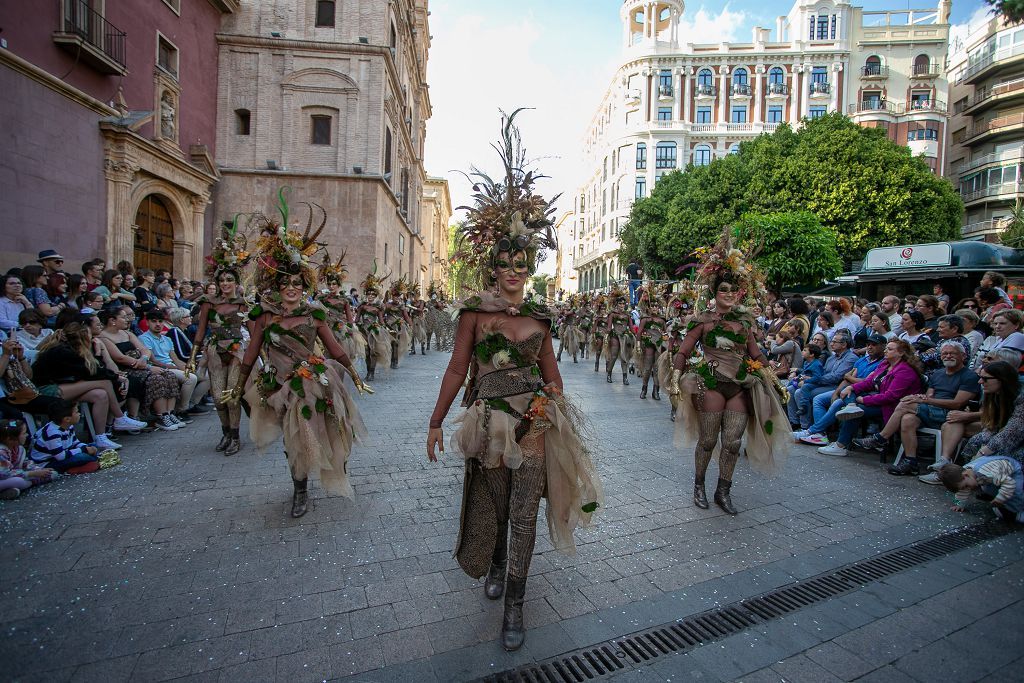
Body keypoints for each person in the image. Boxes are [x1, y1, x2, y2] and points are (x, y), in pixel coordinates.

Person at [427, 114, 601, 652]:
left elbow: (554, 379)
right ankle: (496, 562)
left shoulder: (542, 320)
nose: (513, 274)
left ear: (529, 269)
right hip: (486, 423)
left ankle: (516, 606)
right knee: (497, 508)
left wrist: (550, 409)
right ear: (493, 266)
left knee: (525, 516)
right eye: (505, 265)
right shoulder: (474, 315)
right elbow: (458, 369)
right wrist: (435, 420)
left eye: (521, 267)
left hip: (532, 426)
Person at [222, 194, 370, 518]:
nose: (291, 288)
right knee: (293, 441)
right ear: (276, 284)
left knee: (312, 429)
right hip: (277, 385)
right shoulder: (265, 315)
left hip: (312, 381)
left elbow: (333, 348)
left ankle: (326, 465)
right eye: (286, 282)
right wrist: (238, 386)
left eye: (297, 282)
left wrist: (355, 376)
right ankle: (300, 489)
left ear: (304, 285)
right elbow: (250, 353)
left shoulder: (314, 314)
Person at [668, 229, 790, 516]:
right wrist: (675, 378)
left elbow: (756, 353)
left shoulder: (744, 323)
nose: (729, 294)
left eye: (734, 290)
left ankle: (724, 490)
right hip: (710, 381)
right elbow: (683, 351)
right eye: (723, 290)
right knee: (709, 440)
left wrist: (773, 379)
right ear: (714, 292)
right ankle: (699, 485)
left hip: (739, 383)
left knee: (733, 442)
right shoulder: (703, 320)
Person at [853, 341, 979, 475]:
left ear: (963, 356)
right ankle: (911, 462)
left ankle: (881, 438)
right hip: (931, 410)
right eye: (944, 353)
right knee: (908, 418)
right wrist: (919, 398)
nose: (948, 356)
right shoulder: (938, 374)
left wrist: (924, 400)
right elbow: (929, 395)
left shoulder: (969, 376)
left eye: (952, 353)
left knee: (905, 404)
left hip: (951, 414)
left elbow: (957, 403)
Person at [187, 221, 252, 454]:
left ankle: (235, 436)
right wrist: (192, 359)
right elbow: (201, 330)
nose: (225, 284)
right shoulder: (208, 303)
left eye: (229, 280)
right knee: (217, 397)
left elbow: (254, 333)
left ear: (236, 282)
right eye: (221, 280)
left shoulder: (243, 304)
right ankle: (225, 432)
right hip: (215, 351)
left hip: (236, 350)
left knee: (232, 396)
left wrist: (263, 359)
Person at [815, 340, 923, 457]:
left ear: (901, 353)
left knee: (855, 411)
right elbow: (869, 382)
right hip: (879, 399)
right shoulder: (885, 364)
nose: (886, 351)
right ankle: (850, 408)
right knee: (848, 395)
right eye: (886, 348)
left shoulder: (905, 371)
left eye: (890, 349)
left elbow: (890, 397)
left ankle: (838, 443)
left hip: (892, 406)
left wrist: (864, 400)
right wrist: (851, 387)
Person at [97, 307, 182, 431]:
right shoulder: (103, 337)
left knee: (169, 375)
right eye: (123, 317)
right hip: (125, 369)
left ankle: (169, 413)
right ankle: (161, 416)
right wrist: (146, 366)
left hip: (141, 365)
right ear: (112, 320)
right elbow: (119, 358)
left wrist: (143, 358)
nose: (127, 320)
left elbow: (145, 349)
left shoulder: (127, 333)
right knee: (156, 378)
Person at [794, 333, 887, 446]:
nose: (869, 347)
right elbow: (846, 378)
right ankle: (810, 429)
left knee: (822, 399)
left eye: (874, 344)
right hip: (845, 389)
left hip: (859, 393)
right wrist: (837, 391)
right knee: (801, 391)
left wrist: (848, 380)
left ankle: (816, 432)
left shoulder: (877, 363)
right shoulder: (860, 360)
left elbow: (866, 382)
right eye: (868, 344)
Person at [139, 309, 208, 421]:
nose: (158, 324)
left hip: (171, 367)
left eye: (160, 321)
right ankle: (181, 410)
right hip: (159, 369)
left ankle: (192, 404)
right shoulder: (144, 338)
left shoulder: (167, 339)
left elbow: (175, 359)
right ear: (147, 322)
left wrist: (186, 368)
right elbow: (154, 361)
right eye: (154, 321)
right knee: (190, 378)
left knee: (205, 376)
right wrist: (177, 368)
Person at [787, 332, 855, 431]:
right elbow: (823, 373)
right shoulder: (832, 358)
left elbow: (837, 377)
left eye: (834, 342)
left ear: (844, 345)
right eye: (831, 341)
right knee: (790, 389)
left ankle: (806, 426)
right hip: (823, 383)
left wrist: (811, 380)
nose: (831, 344)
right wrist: (805, 378)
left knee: (800, 392)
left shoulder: (851, 358)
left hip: (837, 386)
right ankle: (794, 421)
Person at [316, 253, 368, 365]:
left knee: (340, 356)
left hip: (340, 329)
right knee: (325, 356)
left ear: (338, 284)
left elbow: (349, 318)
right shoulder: (321, 299)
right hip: (325, 329)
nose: (331, 286)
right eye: (329, 284)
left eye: (334, 284)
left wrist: (350, 330)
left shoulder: (344, 300)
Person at [939, 457, 1024, 523]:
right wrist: (959, 504)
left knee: (1015, 492)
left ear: (966, 475)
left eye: (966, 485)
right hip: (996, 475)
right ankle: (1005, 505)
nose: (967, 488)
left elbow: (1009, 482)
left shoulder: (987, 473)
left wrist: (1000, 499)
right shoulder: (964, 473)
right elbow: (962, 490)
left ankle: (1017, 512)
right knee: (989, 488)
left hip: (1013, 471)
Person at [30, 400, 101, 474]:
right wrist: (84, 450)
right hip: (48, 462)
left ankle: (92, 460)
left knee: (95, 445)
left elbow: (74, 442)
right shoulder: (52, 433)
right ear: (67, 419)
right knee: (81, 457)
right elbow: (60, 456)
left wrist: (86, 447)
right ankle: (96, 460)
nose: (79, 414)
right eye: (77, 412)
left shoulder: (68, 425)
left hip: (62, 454)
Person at [0, 419, 57, 500]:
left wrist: (39, 470)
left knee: (52, 474)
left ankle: (8, 491)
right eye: (23, 433)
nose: (27, 435)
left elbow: (26, 463)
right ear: (10, 439)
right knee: (18, 481)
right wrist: (31, 474)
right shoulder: (1, 451)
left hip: (18, 476)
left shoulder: (19, 448)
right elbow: (4, 474)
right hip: (4, 479)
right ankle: (26, 484)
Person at [355, 269, 391, 381]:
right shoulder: (362, 306)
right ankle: (368, 371)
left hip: (374, 331)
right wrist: (354, 326)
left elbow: (381, 320)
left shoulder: (378, 307)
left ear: (375, 295)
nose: (370, 296)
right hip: (363, 330)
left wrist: (385, 328)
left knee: (373, 352)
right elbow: (356, 319)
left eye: (373, 294)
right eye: (368, 294)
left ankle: (372, 372)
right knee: (366, 352)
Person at [635, 287, 666, 399]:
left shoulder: (662, 320)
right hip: (648, 345)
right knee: (647, 368)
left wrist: (666, 341)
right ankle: (644, 389)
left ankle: (656, 391)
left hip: (659, 346)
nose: (654, 308)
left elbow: (665, 334)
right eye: (652, 306)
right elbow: (639, 333)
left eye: (656, 306)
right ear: (648, 307)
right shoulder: (645, 319)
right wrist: (638, 346)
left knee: (657, 369)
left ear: (658, 308)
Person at [603, 287, 635, 385]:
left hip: (625, 337)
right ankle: (609, 374)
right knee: (613, 356)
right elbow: (608, 327)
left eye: (623, 303)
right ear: (616, 304)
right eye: (620, 303)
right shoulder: (612, 314)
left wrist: (637, 337)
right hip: (615, 336)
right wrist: (605, 337)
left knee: (624, 357)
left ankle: (625, 378)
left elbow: (632, 328)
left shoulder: (627, 315)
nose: (622, 305)